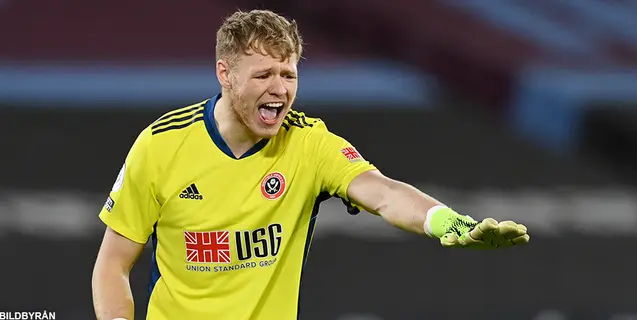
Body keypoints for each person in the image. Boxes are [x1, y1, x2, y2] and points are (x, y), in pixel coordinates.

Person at [91, 9, 529, 320]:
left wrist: (448, 222)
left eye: (289, 75)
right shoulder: (161, 145)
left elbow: (383, 193)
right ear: (225, 74)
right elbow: (113, 262)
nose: (279, 89)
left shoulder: (308, 144)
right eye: (263, 75)